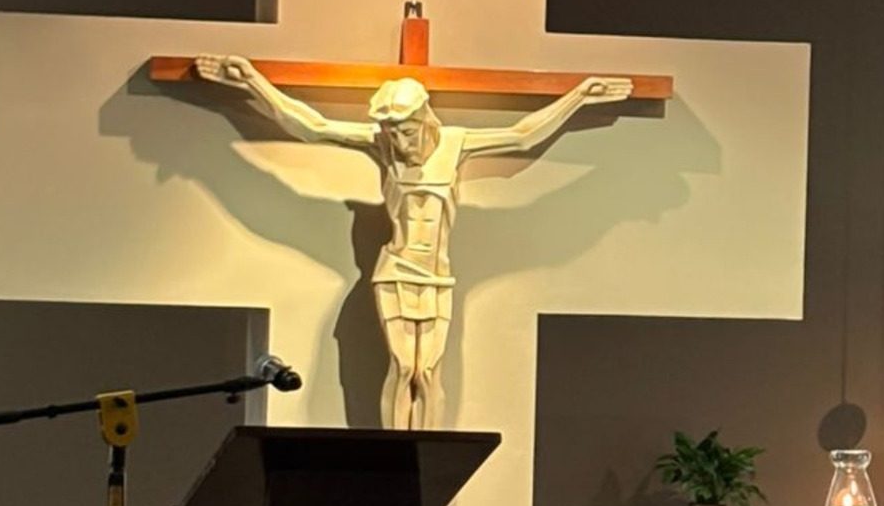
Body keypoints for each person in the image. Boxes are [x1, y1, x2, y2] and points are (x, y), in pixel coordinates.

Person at [194, 56, 632, 430]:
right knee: (403, 367)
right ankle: (396, 450)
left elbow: (522, 134)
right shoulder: (383, 146)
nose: (400, 141)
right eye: (391, 131)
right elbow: (313, 126)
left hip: (438, 274)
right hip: (395, 270)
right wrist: (252, 80)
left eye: (406, 130)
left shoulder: (456, 144)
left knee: (429, 372)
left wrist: (579, 97)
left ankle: (427, 453)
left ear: (424, 120)